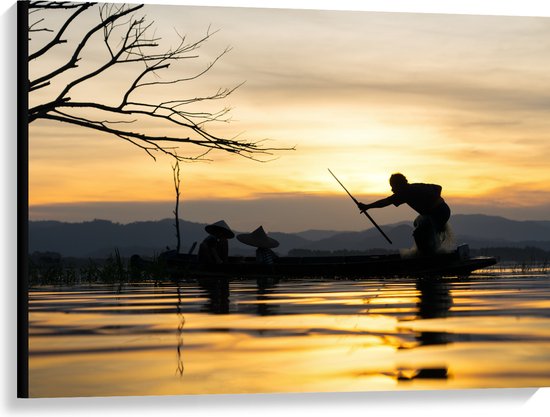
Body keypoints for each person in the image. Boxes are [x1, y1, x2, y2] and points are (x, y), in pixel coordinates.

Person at [357, 173, 451, 255]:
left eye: (393, 186)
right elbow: (438, 187)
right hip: (440, 211)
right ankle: (430, 251)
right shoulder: (413, 187)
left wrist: (367, 206)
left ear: (399, 185)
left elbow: (386, 202)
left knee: (418, 234)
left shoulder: (404, 192)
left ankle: (426, 256)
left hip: (439, 213)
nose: (392, 189)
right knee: (417, 223)